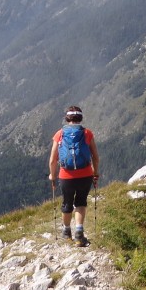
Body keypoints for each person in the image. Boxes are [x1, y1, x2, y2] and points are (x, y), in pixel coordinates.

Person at [49, 105, 100, 247]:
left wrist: (52, 176)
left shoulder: (59, 134)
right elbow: (95, 157)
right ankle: (79, 234)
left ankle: (66, 232)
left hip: (66, 176)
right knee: (81, 202)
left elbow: (53, 159)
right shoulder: (87, 133)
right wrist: (95, 173)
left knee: (67, 203)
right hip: (85, 175)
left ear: (67, 118)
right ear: (80, 117)